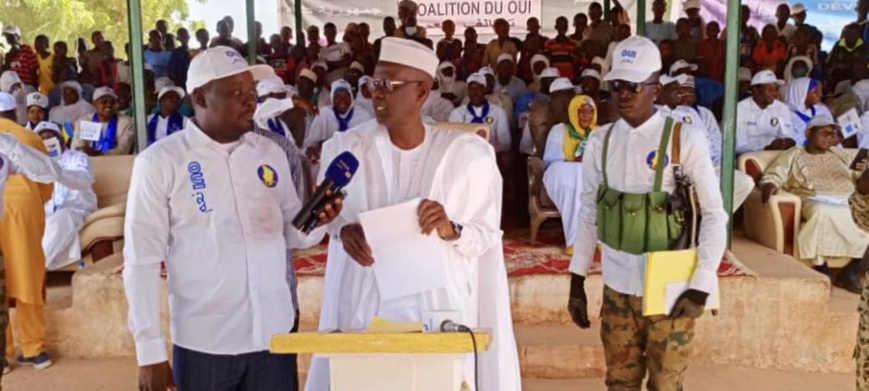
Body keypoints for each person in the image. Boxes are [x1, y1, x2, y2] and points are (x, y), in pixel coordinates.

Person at [304, 36, 520, 391]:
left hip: (439, 315)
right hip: (366, 309)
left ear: (422, 91)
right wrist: (341, 230)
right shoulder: (346, 149)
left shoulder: (467, 157)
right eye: (374, 84)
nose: (376, 93)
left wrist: (451, 228)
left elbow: (486, 237)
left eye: (388, 85)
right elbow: (319, 223)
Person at [124, 46, 340, 391]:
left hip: (274, 336)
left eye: (251, 92)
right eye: (236, 93)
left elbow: (290, 234)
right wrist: (149, 350)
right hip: (205, 343)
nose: (250, 101)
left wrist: (317, 220)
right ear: (199, 96)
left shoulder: (269, 152)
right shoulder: (160, 162)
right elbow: (141, 261)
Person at [567, 36, 727, 391]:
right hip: (617, 286)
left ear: (656, 88)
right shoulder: (600, 141)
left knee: (666, 386)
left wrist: (701, 283)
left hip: (671, 289)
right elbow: (589, 211)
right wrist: (577, 278)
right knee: (618, 383)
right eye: (618, 85)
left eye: (634, 86)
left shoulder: (684, 139)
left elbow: (715, 215)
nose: (624, 94)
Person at [760, 115, 867, 292]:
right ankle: (821, 266)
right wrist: (769, 184)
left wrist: (865, 173)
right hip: (814, 198)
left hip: (847, 197)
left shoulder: (840, 155)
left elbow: (860, 183)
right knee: (822, 211)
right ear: (808, 133)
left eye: (832, 133)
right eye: (823, 132)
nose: (828, 137)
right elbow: (774, 175)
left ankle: (853, 269)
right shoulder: (793, 154)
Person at [0, 93, 55, 372]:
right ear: (15, 112)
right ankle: (34, 351)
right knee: (27, 274)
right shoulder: (29, 137)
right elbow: (46, 181)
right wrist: (36, 201)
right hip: (22, 209)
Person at [33, 121, 97, 271]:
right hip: (46, 211)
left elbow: (84, 179)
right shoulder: (35, 164)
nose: (47, 141)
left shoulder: (78, 157)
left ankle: (33, 270)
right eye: (42, 138)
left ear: (61, 140)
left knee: (60, 220)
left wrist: (56, 171)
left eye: (51, 137)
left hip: (77, 209)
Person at [543, 95, 597, 254]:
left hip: (590, 172)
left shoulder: (599, 132)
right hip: (563, 171)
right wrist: (575, 160)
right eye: (582, 111)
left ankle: (598, 239)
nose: (586, 116)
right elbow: (551, 159)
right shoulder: (560, 130)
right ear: (574, 112)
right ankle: (575, 241)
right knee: (576, 177)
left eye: (590, 111)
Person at [736, 70, 797, 154]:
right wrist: (767, 147)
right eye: (769, 89)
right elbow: (738, 146)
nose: (774, 93)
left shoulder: (781, 108)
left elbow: (787, 135)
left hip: (775, 154)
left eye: (776, 89)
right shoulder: (740, 109)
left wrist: (787, 142)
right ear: (755, 90)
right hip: (748, 156)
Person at [449, 72, 511, 153]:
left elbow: (505, 143)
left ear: (484, 90)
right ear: (468, 92)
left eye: (478, 88)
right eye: (471, 89)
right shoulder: (457, 113)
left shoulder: (498, 112)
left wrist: (486, 151)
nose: (475, 93)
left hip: (490, 155)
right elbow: (453, 141)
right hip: (464, 154)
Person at [305, 80, 373, 150]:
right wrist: (312, 150)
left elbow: (371, 142)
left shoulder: (363, 115)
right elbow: (311, 143)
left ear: (351, 97)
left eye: (345, 96)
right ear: (332, 98)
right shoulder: (324, 114)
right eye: (337, 96)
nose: (342, 100)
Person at [71, 87, 135, 156]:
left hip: (116, 163)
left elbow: (123, 150)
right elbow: (77, 148)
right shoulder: (84, 121)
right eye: (104, 102)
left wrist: (99, 154)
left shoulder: (126, 122)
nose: (108, 105)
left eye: (112, 102)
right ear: (94, 103)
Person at [785, 77, 833, 144]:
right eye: (815, 92)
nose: (820, 95)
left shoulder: (822, 110)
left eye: (819, 91)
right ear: (802, 94)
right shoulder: (786, 114)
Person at [545, 16, 581, 82]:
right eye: (560, 26)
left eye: (564, 26)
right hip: (555, 78)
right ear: (556, 27)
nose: (562, 28)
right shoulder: (549, 43)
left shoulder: (574, 44)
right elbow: (547, 62)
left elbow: (576, 62)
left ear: (567, 27)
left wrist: (575, 77)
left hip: (570, 78)